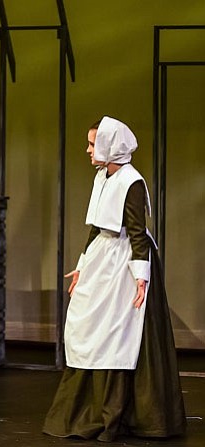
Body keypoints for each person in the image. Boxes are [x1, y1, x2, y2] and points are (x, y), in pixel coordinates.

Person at [43, 116, 186, 441]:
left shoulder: (131, 181)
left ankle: (129, 413)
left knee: (123, 332)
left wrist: (141, 278)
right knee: (90, 328)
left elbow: (136, 233)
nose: (88, 150)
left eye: (93, 143)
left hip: (125, 260)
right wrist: (83, 264)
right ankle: (88, 410)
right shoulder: (102, 177)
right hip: (103, 255)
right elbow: (95, 225)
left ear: (110, 145)